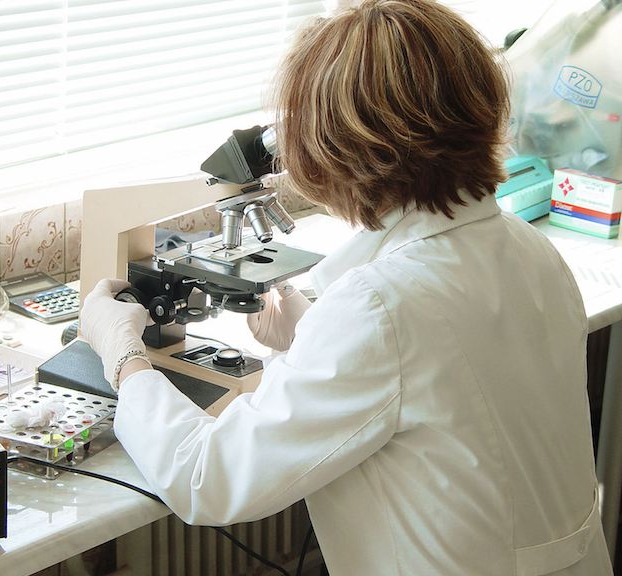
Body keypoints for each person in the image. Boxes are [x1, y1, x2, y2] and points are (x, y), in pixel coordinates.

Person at [79, 1, 614, 574]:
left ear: (338, 150)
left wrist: (124, 355)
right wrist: (312, 329)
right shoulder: (526, 248)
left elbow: (207, 479)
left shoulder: (381, 306)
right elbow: (451, 383)